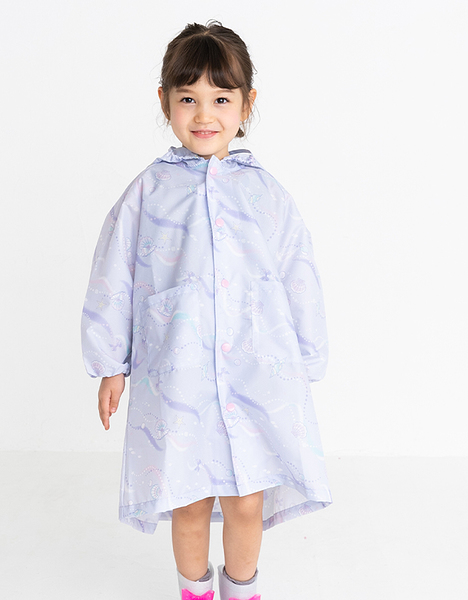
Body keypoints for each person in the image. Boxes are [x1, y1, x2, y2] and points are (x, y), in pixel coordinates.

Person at [81, 20, 332, 600]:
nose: (203, 114)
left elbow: (299, 273)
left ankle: (242, 589)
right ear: (164, 101)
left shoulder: (265, 193)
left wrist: (307, 355)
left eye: (221, 99)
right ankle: (193, 591)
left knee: (247, 497)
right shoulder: (148, 192)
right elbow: (113, 275)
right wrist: (110, 364)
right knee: (188, 499)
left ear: (246, 104)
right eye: (187, 98)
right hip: (180, 376)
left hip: (256, 371)